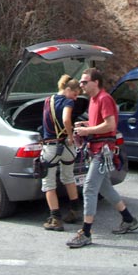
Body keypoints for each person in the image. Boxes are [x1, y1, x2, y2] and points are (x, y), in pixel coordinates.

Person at [66, 67, 138, 248]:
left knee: (89, 188)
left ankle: (86, 232)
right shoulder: (93, 100)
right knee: (105, 188)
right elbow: (99, 124)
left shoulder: (105, 99)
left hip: (102, 152)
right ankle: (129, 220)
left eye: (84, 82)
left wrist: (87, 130)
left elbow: (110, 125)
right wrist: (86, 125)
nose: (81, 85)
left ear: (95, 82)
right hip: (97, 151)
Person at [41, 74, 82, 231]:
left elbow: (45, 122)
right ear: (67, 89)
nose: (76, 98)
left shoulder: (47, 101)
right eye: (75, 94)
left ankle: (55, 219)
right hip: (67, 146)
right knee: (68, 178)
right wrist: (71, 137)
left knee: (48, 183)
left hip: (51, 146)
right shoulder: (68, 101)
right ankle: (74, 211)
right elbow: (66, 120)